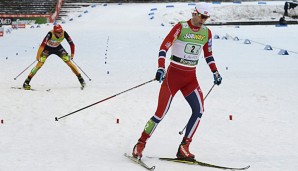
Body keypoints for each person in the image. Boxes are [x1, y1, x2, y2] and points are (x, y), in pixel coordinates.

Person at [132, 2, 222, 161]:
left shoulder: (207, 33)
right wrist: (161, 67)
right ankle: (140, 143)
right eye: (201, 16)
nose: (203, 20)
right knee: (160, 114)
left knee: (199, 110)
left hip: (190, 78)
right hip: (173, 77)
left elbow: (208, 55)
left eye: (206, 18)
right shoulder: (180, 27)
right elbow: (163, 47)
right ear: (194, 13)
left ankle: (184, 147)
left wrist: (215, 72)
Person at [22, 24, 85, 90]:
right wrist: (38, 56)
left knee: (69, 63)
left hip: (58, 48)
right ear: (54, 32)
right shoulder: (50, 34)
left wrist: (72, 55)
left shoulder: (64, 33)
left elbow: (72, 44)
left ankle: (81, 79)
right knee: (39, 65)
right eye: (58, 32)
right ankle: (27, 81)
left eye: (61, 31)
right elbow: (42, 45)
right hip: (47, 49)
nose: (60, 34)